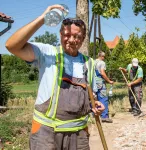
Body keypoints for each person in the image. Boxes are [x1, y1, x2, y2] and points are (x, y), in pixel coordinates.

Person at [5, 5, 105, 150]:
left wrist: (96, 105)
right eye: (67, 35)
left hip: (79, 136)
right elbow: (12, 45)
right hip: (46, 135)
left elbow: (91, 97)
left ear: (83, 39)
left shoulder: (89, 63)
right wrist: (43, 18)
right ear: (60, 34)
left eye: (77, 36)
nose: (71, 40)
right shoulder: (47, 53)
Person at [95, 51, 114, 123]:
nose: (104, 58)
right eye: (104, 57)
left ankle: (96, 115)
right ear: (102, 56)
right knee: (103, 98)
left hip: (93, 83)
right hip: (100, 83)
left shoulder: (93, 62)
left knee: (95, 99)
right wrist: (109, 81)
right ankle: (104, 117)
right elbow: (102, 73)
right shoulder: (102, 63)